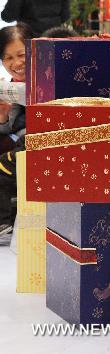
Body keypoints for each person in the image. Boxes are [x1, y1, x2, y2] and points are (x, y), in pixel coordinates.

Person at [0, 24, 31, 243]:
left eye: (21, 55)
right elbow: (6, 128)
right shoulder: (11, 86)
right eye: (8, 58)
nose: (16, 63)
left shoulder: (48, 79)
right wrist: (2, 115)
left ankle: (4, 223)